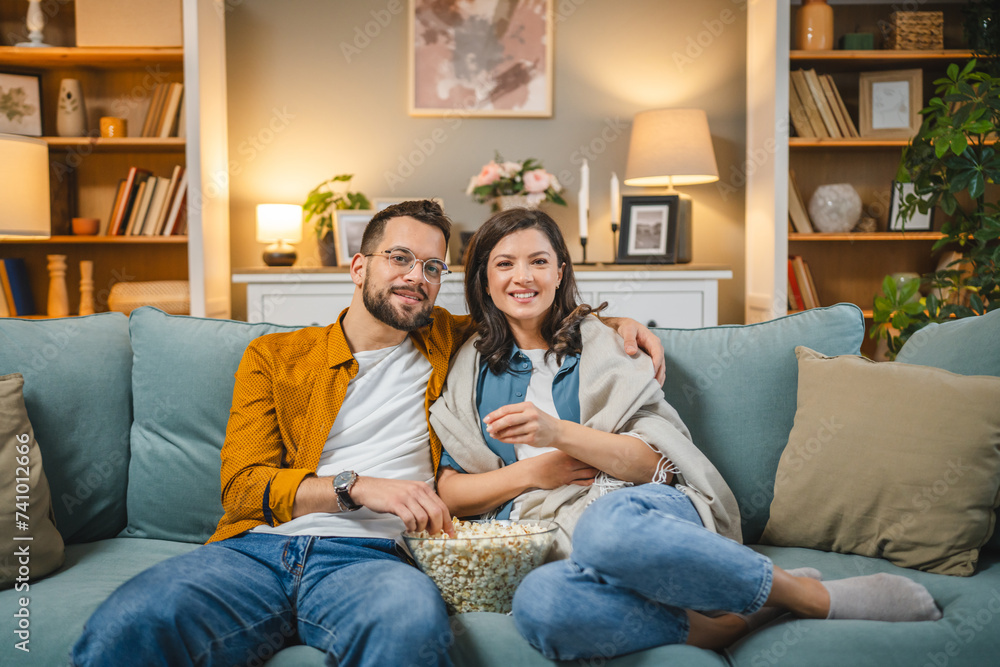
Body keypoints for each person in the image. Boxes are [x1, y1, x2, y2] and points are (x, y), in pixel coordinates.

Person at [70, 200, 666, 667]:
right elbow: (243, 486)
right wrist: (354, 487)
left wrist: (617, 324)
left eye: (433, 267)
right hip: (257, 550)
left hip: (378, 559)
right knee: (127, 625)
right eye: (400, 259)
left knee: (408, 630)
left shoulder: (452, 343)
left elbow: (533, 306)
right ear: (359, 267)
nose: (417, 277)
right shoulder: (277, 356)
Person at [429, 208, 943, 662]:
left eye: (539, 261)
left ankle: (804, 596)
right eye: (505, 263)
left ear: (560, 271)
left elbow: (655, 465)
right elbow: (451, 492)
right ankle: (728, 625)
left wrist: (559, 433)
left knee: (605, 528)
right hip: (546, 534)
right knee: (541, 605)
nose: (524, 276)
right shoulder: (470, 367)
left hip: (640, 509)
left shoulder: (605, 344)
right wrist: (534, 470)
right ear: (484, 278)